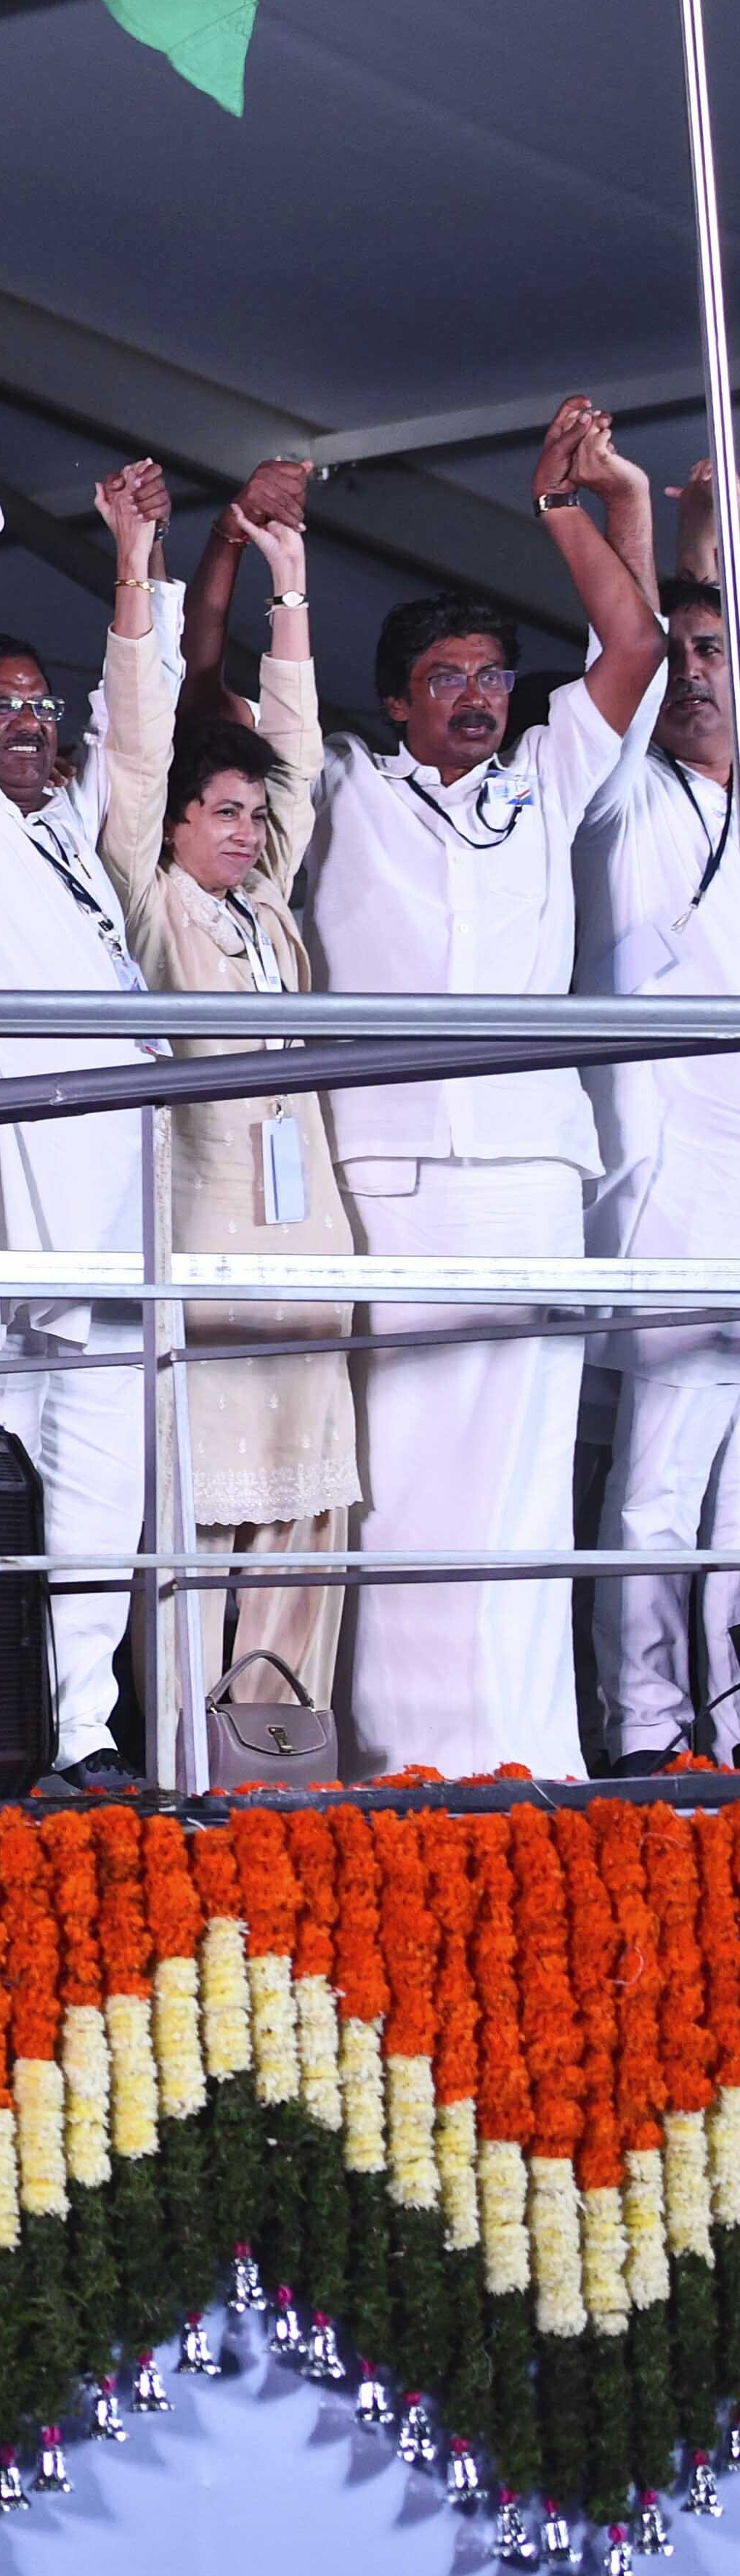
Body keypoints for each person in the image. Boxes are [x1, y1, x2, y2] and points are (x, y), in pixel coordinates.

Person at [301, 398, 665, 1777]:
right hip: (390, 1167)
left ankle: (532, 1752)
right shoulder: (340, 784)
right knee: (403, 1472)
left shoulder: (544, 777)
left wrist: (565, 509)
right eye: (446, 676)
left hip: (525, 1164)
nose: (474, 695)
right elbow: (235, 728)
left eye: (491, 674)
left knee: (521, 1474)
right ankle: (407, 1755)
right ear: (395, 697)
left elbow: (631, 644)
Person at [0, 464, 168, 1785]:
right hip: (8, 1216)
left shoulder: (61, 828)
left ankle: (85, 1728)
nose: (26, 722)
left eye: (36, 703)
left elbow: (136, 738)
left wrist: (134, 567)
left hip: (117, 1207)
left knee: (103, 1492)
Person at [95, 484, 354, 1736]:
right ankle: (187, 1753)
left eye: (257, 816)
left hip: (307, 1248)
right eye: (225, 813)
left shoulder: (271, 911)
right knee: (198, 1502)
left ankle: (280, 1748)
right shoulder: (154, 909)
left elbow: (296, 758)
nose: (250, 832)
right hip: (203, 1242)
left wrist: (291, 587)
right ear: (175, 829)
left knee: (307, 1506)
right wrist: (137, 568)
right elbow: (139, 754)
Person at [584, 520, 740, 1762]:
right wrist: (634, 513)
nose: (690, 667)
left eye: (713, 647)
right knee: (655, 1488)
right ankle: (645, 1720)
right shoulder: (633, 796)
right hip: (671, 1180)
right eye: (677, 648)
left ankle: (734, 1715)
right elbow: (621, 660)